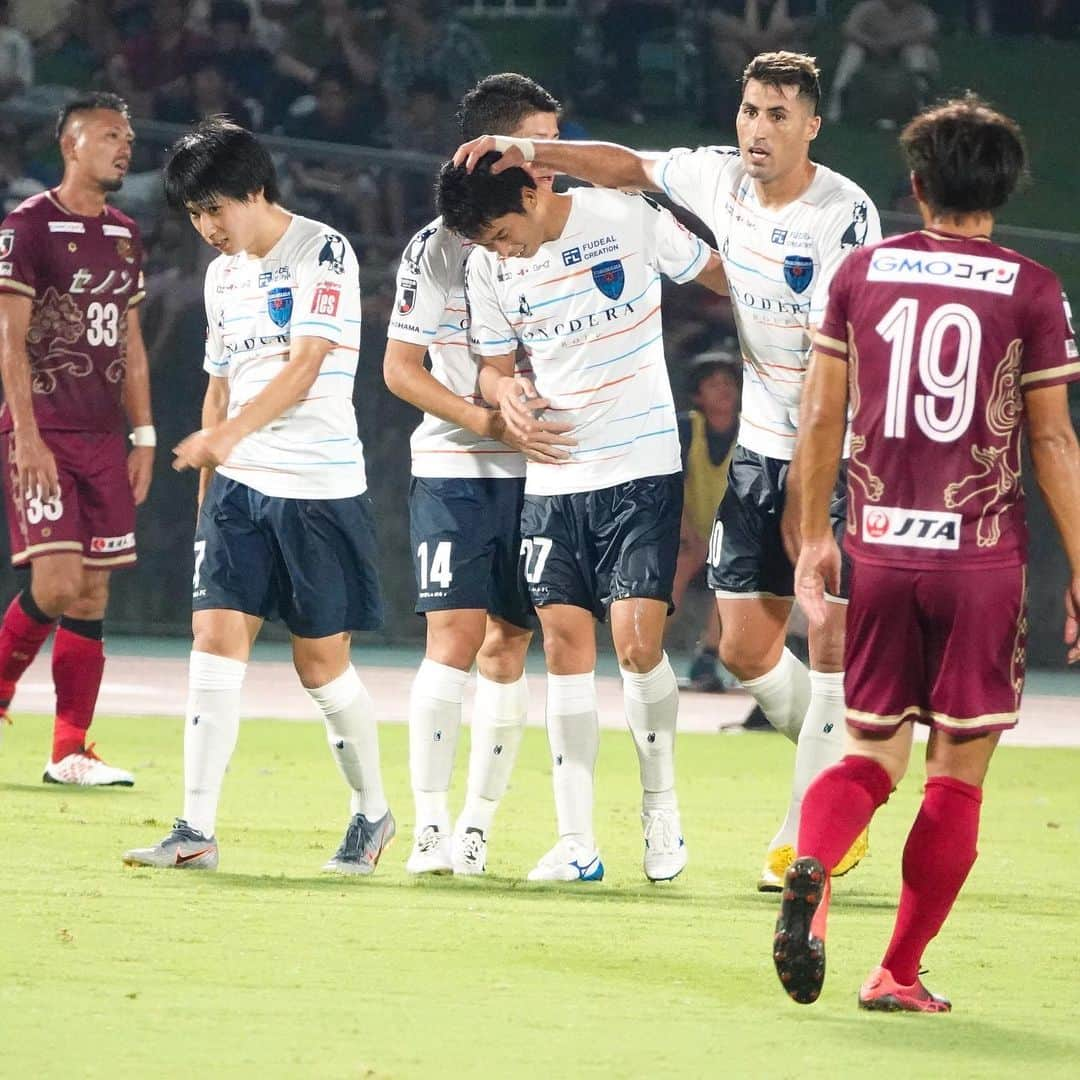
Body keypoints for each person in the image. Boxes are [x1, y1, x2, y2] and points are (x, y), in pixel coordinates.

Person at [452, 51, 879, 891]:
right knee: (748, 646)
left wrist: (824, 466)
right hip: (760, 444)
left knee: (825, 627)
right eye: (751, 110)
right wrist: (533, 148)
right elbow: (629, 165)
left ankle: (813, 833)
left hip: (840, 446)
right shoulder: (716, 180)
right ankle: (844, 758)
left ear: (813, 126)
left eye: (779, 115)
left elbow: (855, 345)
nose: (759, 129)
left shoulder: (843, 213)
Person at [773, 94, 1080, 1012]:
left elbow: (821, 414)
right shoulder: (1033, 289)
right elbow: (1054, 441)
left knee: (869, 751)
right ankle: (897, 970)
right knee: (957, 773)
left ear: (915, 185)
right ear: (1005, 187)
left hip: (881, 544)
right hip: (980, 561)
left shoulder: (862, 273)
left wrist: (814, 535)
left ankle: (813, 870)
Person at [435, 151, 729, 883]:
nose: (501, 252)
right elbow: (494, 363)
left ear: (535, 190)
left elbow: (722, 276)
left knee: (635, 646)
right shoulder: (487, 266)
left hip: (641, 467)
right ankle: (577, 842)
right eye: (488, 244)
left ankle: (661, 809)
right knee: (563, 645)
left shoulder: (626, 217)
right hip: (554, 473)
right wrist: (502, 395)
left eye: (503, 233)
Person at [122, 118, 393, 873]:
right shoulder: (222, 274)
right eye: (195, 216)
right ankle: (194, 830)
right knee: (212, 640)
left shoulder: (322, 249)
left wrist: (224, 436)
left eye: (216, 210)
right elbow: (219, 387)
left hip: (319, 489)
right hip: (239, 490)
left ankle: (372, 813)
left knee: (320, 667)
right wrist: (212, 490)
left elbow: (306, 365)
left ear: (254, 190)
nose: (207, 229)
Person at [383, 73, 566, 877]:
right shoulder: (439, 247)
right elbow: (399, 368)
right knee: (453, 637)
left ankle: (476, 827)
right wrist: (492, 422)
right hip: (459, 461)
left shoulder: (575, 223)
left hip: (551, 471)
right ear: (494, 143)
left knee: (512, 640)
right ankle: (427, 827)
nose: (555, 154)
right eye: (542, 138)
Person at [0, 91, 154, 785]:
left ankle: (68, 752)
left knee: (92, 596)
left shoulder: (125, 232)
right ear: (71, 144)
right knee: (57, 582)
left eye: (128, 136)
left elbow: (131, 340)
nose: (124, 146)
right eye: (109, 135)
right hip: (45, 429)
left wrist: (145, 435)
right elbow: (9, 340)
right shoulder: (27, 226)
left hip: (103, 434)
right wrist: (25, 436)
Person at [673, 351, 740, 693]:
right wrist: (688, 533)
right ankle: (646, 649)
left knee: (733, 573)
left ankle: (708, 657)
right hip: (688, 526)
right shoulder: (686, 428)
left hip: (732, 533)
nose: (723, 389)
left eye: (728, 382)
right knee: (683, 556)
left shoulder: (749, 430)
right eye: (714, 384)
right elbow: (671, 485)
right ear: (698, 395)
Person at [826, 0, 939, 124]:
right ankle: (838, 99)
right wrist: (871, 43)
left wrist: (896, 42)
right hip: (871, 51)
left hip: (903, 51)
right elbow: (849, 29)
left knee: (917, 52)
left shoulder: (920, 12)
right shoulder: (868, 8)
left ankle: (922, 99)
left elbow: (929, 32)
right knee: (853, 51)